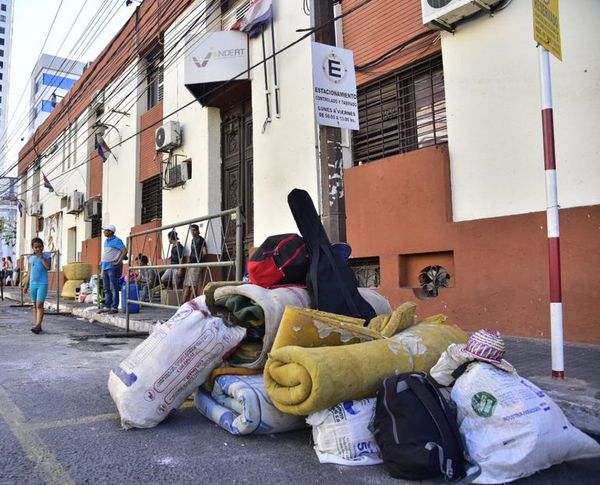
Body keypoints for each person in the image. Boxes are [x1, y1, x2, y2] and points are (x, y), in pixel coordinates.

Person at [25, 238, 52, 334]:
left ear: (43, 247)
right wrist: (26, 284)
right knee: (34, 305)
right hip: (33, 284)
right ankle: (37, 324)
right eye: (36, 247)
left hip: (42, 284)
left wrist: (41, 258)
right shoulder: (31, 258)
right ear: (32, 248)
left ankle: (37, 325)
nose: (38, 249)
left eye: (40, 247)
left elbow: (48, 267)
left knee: (39, 304)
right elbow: (29, 272)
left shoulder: (47, 256)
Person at [99, 224, 127, 314]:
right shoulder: (106, 241)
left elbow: (124, 251)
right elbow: (107, 253)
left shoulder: (117, 240)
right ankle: (107, 306)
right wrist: (102, 262)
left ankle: (114, 307)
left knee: (113, 287)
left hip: (113, 267)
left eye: (106, 230)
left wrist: (119, 260)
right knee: (106, 288)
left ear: (111, 232)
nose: (104, 232)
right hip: (105, 267)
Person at [182, 224, 207, 302]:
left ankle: (190, 303)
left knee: (193, 285)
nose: (192, 232)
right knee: (187, 284)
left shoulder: (201, 240)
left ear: (198, 230)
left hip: (196, 264)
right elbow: (192, 251)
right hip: (191, 264)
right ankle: (183, 303)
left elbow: (205, 252)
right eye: (191, 231)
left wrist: (199, 261)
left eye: (194, 230)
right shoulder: (193, 240)